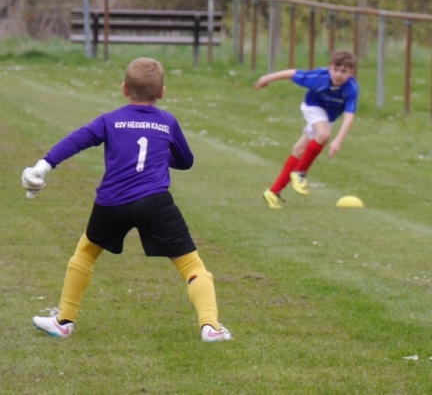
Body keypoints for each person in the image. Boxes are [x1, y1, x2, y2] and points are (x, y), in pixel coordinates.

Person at [22, 57, 231, 342]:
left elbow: (76, 140)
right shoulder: (167, 122)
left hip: (112, 202)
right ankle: (211, 327)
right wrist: (160, 158)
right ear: (162, 92)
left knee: (86, 253)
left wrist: (42, 166)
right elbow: (186, 161)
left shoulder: (109, 120)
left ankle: (64, 322)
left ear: (124, 88)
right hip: (155, 203)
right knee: (191, 265)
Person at [256, 50, 359, 209]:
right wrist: (267, 78)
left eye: (344, 71)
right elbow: (292, 73)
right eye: (335, 69)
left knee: (299, 150)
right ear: (329, 68)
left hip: (328, 118)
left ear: (351, 72)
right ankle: (299, 172)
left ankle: (273, 192)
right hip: (312, 107)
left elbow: (349, 116)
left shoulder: (351, 88)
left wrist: (338, 141)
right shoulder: (319, 77)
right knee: (324, 135)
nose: (338, 74)